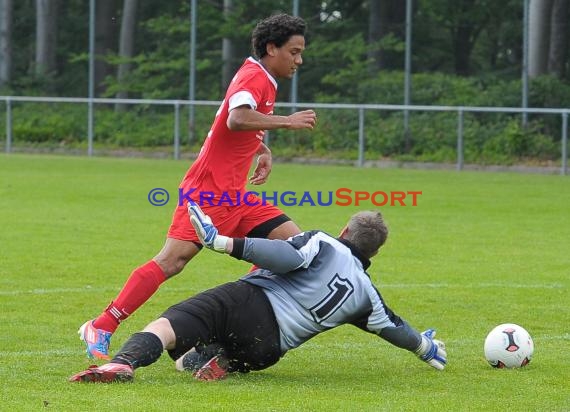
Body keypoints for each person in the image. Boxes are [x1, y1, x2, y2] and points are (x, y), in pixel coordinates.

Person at [78, 14, 318, 360]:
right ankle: (102, 324)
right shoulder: (254, 76)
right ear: (271, 48)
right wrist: (287, 122)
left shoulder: (263, 76)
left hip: (235, 193)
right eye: (294, 52)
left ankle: (231, 317)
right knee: (172, 261)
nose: (299, 60)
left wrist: (261, 148)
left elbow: (230, 121)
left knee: (294, 250)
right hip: (207, 191)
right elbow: (236, 118)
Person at [69, 204, 447, 383]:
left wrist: (224, 243)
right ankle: (223, 361)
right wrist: (425, 349)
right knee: (188, 355)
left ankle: (122, 363)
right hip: (269, 350)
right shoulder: (367, 294)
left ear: (344, 231)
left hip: (250, 304)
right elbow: (395, 329)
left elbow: (285, 254)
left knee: (169, 323)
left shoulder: (323, 243)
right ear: (374, 253)